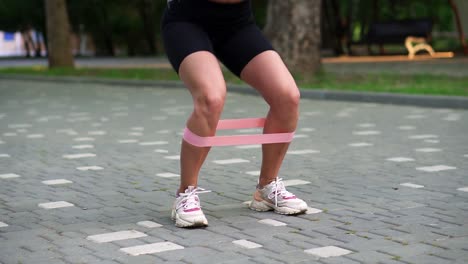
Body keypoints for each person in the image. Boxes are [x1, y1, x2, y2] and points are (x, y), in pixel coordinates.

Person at [161, 0, 308, 228]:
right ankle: (185, 193)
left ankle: (266, 188)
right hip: (187, 22)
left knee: (287, 97)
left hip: (237, 24)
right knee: (211, 97)